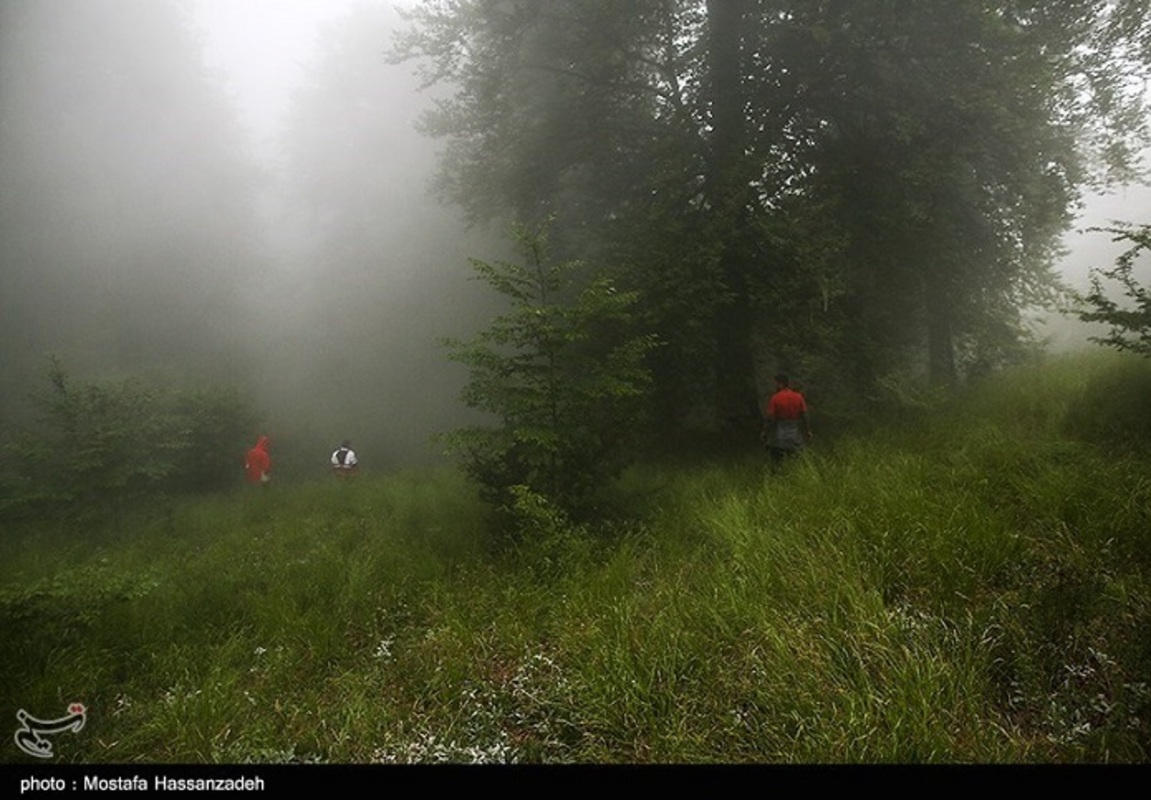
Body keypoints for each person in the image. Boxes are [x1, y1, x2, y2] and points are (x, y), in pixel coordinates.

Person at [761, 373, 811, 469]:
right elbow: (805, 415)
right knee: (797, 461)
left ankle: (778, 479)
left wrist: (764, 432)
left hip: (779, 435)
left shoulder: (775, 398)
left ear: (780, 384)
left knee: (777, 463)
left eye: (775, 383)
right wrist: (808, 430)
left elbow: (770, 418)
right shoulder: (798, 397)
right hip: (795, 434)